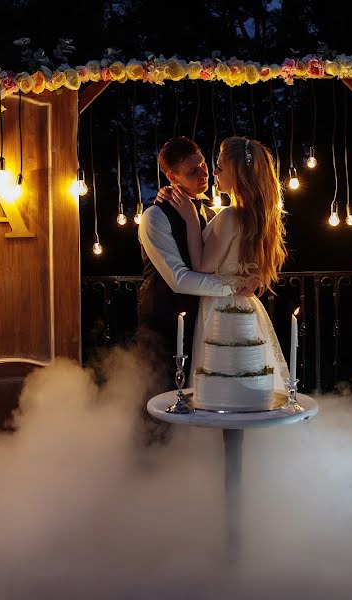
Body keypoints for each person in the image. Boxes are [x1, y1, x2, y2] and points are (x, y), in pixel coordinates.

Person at [158, 136, 289, 391]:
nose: (213, 172)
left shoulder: (230, 216)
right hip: (247, 307)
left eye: (219, 166)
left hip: (222, 310)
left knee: (222, 384)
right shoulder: (256, 216)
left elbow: (202, 267)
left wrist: (191, 220)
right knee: (247, 382)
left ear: (237, 174)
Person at [136, 136, 236, 445]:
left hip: (200, 325)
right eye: (193, 171)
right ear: (172, 177)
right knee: (158, 410)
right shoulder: (155, 216)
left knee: (197, 409)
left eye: (204, 165)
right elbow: (178, 279)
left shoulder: (205, 212)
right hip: (162, 326)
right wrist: (232, 287)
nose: (204, 175)